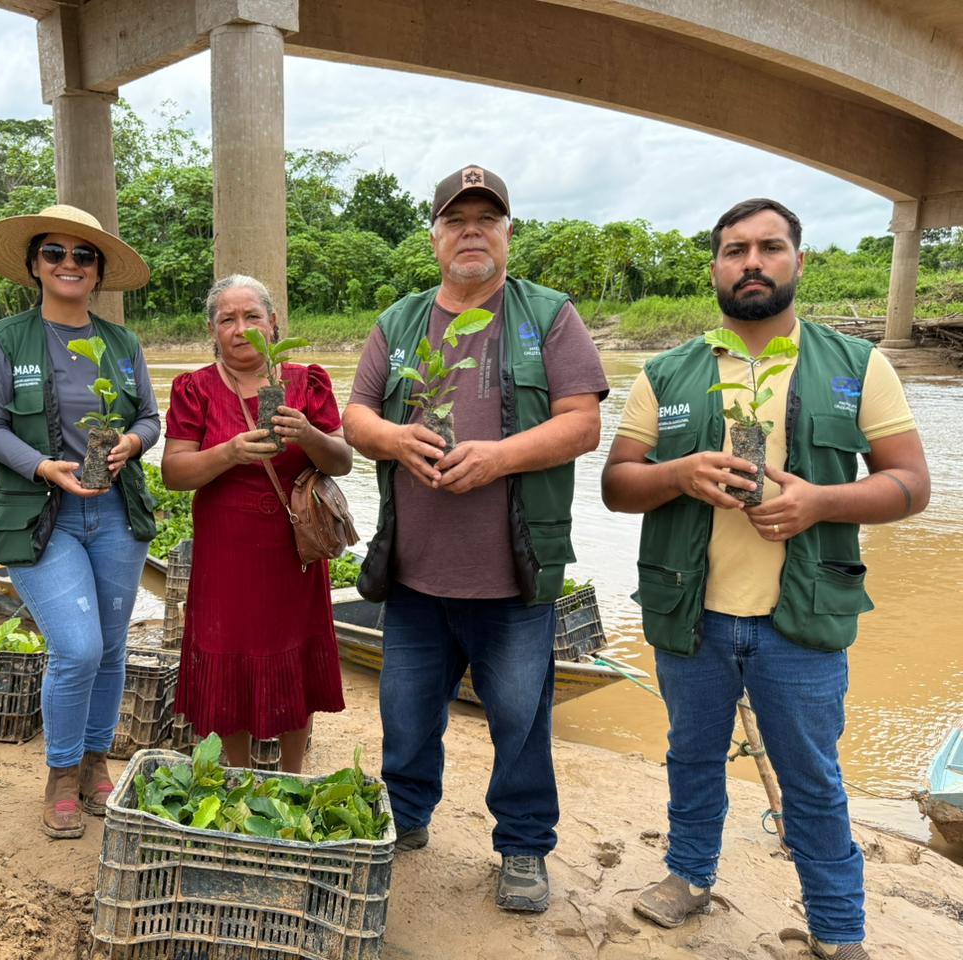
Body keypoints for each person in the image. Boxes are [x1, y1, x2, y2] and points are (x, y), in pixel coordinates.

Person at [601, 199, 930, 960]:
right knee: (690, 754)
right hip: (692, 610)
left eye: (770, 248)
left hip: (803, 616)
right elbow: (619, 485)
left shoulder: (857, 365)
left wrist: (820, 502)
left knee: (813, 777)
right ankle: (688, 876)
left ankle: (837, 928)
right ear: (715, 267)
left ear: (798, 263)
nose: (752, 262)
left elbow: (911, 484)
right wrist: (679, 474)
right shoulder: (668, 371)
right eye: (735, 250)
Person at [342, 166, 608, 912]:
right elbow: (355, 415)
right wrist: (396, 439)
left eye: (486, 219)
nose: (471, 231)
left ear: (507, 235)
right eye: (456, 220)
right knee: (405, 714)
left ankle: (523, 847)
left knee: (521, 719)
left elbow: (582, 422)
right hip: (417, 577)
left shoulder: (548, 316)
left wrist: (498, 457)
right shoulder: (399, 323)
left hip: (512, 580)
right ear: (434, 238)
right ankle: (408, 818)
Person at [0, 204, 158, 839]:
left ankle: (96, 760)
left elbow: (148, 420)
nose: (69, 264)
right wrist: (43, 466)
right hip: (42, 517)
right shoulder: (5, 341)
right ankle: (60, 770)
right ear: (33, 266)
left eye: (83, 255)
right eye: (55, 253)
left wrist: (132, 443)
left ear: (99, 271)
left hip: (114, 513)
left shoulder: (122, 343)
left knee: (109, 648)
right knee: (75, 648)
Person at [160, 274, 349, 773]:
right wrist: (228, 452)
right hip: (227, 551)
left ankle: (292, 776)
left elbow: (342, 460)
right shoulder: (194, 389)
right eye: (228, 319)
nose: (241, 329)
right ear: (212, 329)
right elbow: (173, 473)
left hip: (294, 548)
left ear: (274, 324)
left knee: (295, 651)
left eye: (252, 317)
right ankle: (237, 773)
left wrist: (307, 433)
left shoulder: (306, 381)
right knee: (228, 653)